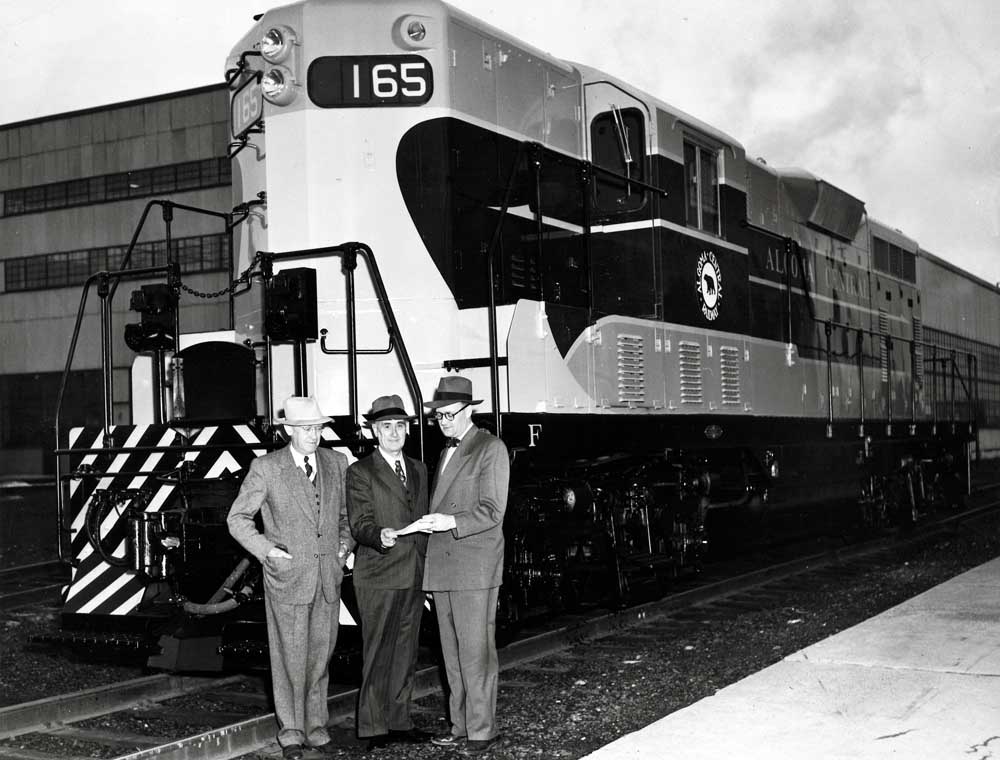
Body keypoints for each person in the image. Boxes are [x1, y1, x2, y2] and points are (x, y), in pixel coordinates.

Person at [227, 396, 354, 760]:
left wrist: (344, 547)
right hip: (288, 578)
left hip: (327, 578)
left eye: (318, 428)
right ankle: (291, 734)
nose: (314, 435)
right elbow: (237, 519)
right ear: (289, 432)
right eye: (306, 429)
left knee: (320, 657)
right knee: (289, 660)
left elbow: (346, 517)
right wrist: (267, 550)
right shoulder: (267, 468)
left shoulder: (336, 462)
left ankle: (316, 727)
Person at [415, 376, 510, 756]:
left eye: (449, 415)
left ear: (469, 410)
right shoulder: (446, 452)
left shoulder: (491, 448)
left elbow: (493, 510)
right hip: (445, 567)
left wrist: (450, 521)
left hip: (473, 567)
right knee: (452, 656)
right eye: (438, 417)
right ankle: (460, 727)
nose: (443, 422)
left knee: (475, 654)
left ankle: (482, 731)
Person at [346, 394, 431, 750]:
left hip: (413, 573)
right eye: (386, 426)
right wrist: (377, 535)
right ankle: (372, 728)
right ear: (374, 432)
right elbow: (360, 522)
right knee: (378, 652)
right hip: (379, 574)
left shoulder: (419, 468)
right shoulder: (361, 472)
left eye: (400, 425)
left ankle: (399, 721)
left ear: (407, 429)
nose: (394, 432)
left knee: (406, 652)